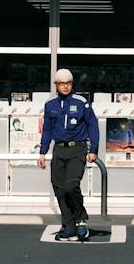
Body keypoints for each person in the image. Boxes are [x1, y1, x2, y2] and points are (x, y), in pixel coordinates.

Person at [38, 69, 100, 241]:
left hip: (78, 149)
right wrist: (42, 152)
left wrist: (94, 149)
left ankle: (80, 221)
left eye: (69, 83)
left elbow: (92, 125)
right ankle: (68, 225)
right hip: (59, 149)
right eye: (62, 83)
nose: (65, 86)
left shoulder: (82, 102)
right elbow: (47, 130)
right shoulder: (50, 104)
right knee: (58, 187)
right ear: (56, 85)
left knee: (71, 186)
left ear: (72, 84)